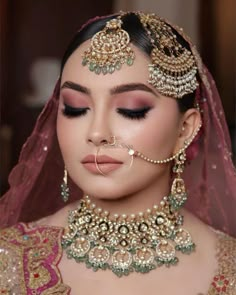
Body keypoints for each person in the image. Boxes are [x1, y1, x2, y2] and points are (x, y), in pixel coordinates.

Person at [0, 11, 236, 295]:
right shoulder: (10, 261)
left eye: (131, 110)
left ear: (185, 129)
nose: (97, 133)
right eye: (75, 108)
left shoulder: (228, 269)